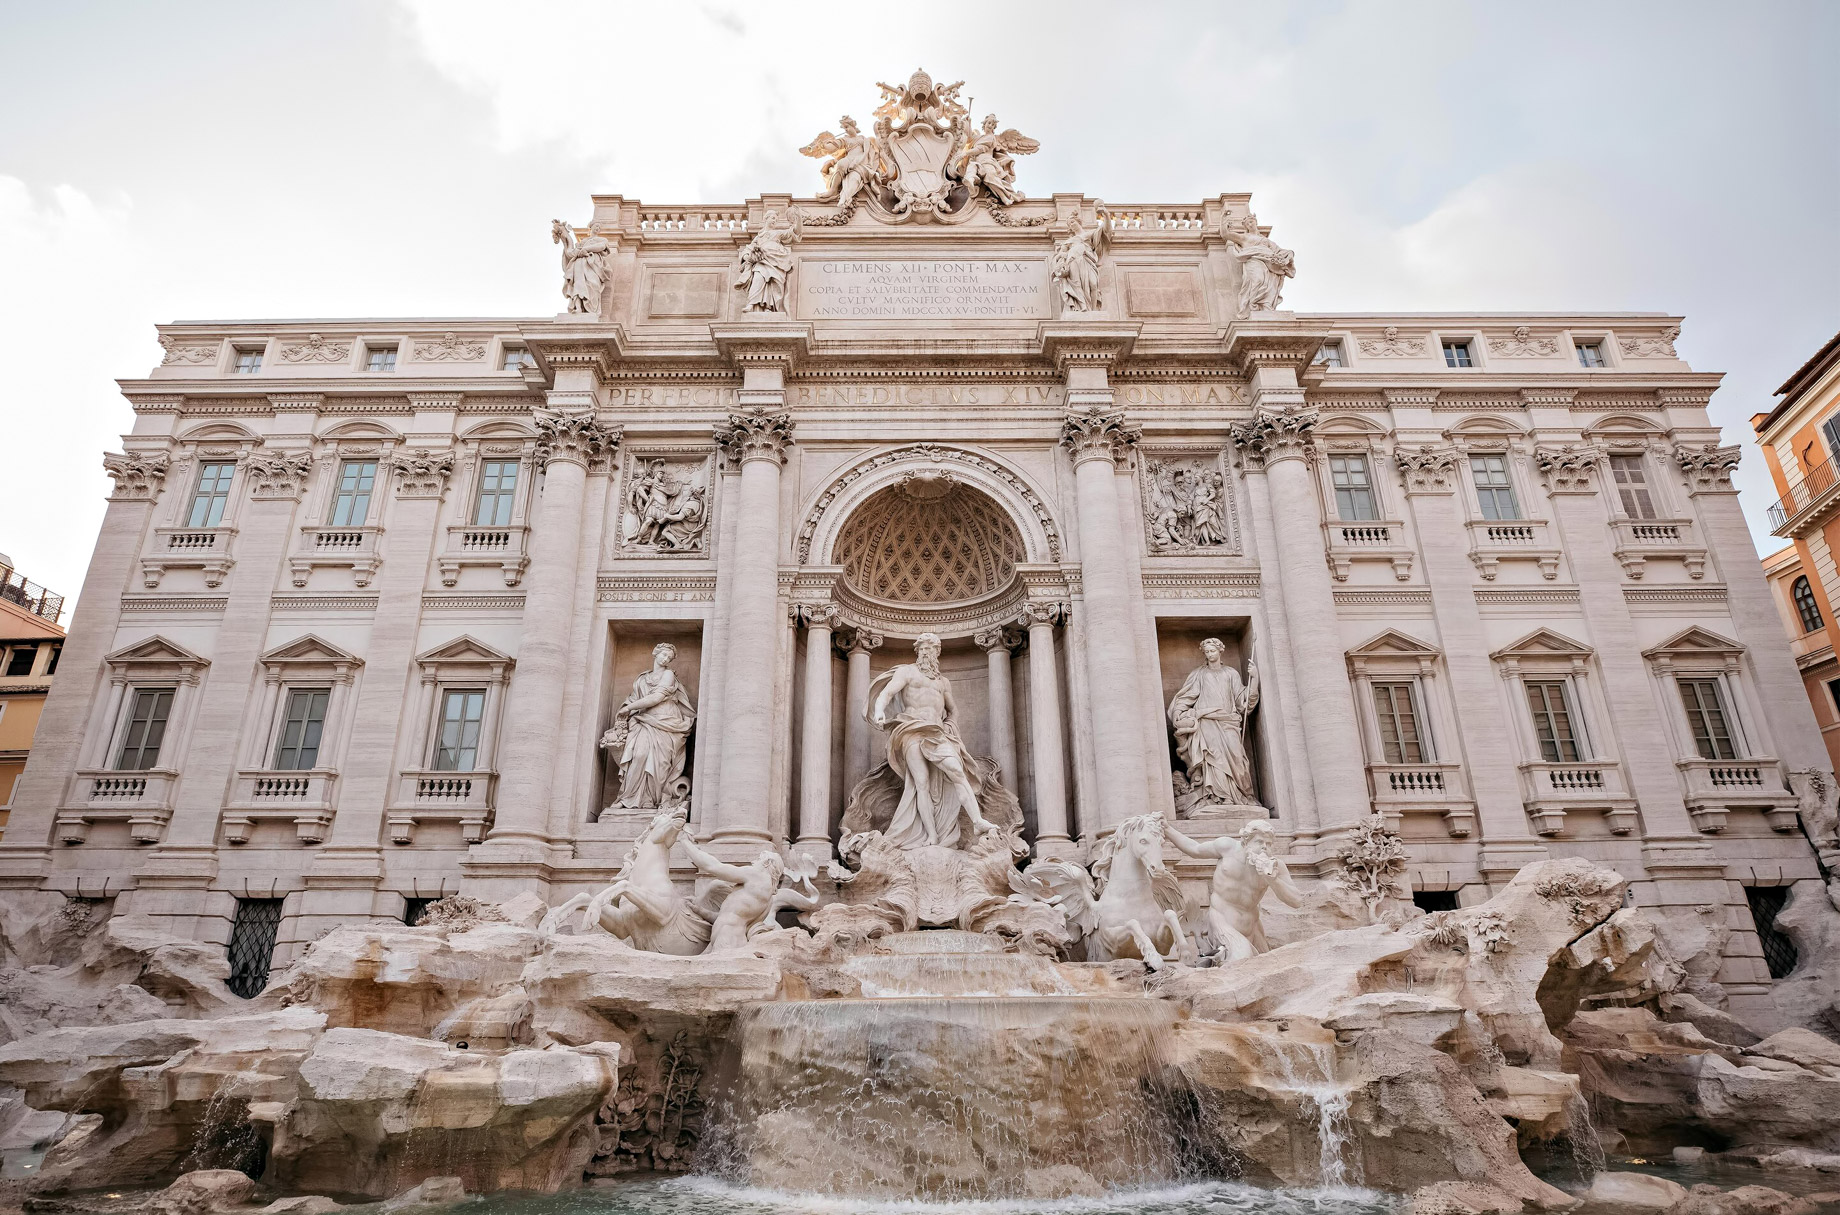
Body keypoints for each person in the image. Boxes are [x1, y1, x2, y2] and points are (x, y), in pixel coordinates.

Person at [869, 633, 995, 849]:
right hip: (911, 729)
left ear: (937, 653)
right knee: (922, 783)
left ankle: (977, 821)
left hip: (936, 732)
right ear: (917, 652)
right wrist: (879, 710)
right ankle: (932, 836)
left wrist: (951, 725)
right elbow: (887, 693)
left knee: (957, 771)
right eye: (923, 649)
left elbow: (953, 710)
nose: (927, 652)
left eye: (931, 649)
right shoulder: (906, 672)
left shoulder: (943, 682)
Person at [1165, 819, 1303, 961]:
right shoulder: (1227, 848)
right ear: (1245, 842)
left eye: (1268, 844)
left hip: (1252, 927)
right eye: (1259, 842)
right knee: (1242, 958)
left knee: (1268, 967)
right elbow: (1195, 849)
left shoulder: (1276, 866)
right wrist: (1167, 829)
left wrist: (1272, 880)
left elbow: (1296, 901)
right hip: (1222, 921)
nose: (1264, 848)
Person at [601, 643, 696, 809]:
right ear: (655, 653)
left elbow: (657, 698)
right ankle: (628, 798)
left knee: (660, 763)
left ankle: (650, 801)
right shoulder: (642, 678)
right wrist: (627, 709)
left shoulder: (668, 675)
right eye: (663, 655)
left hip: (666, 722)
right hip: (644, 720)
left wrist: (630, 708)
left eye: (669, 658)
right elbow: (633, 698)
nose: (665, 659)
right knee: (639, 755)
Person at [1169, 638, 1259, 806]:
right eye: (1207, 652)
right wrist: (1178, 712)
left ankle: (1241, 795)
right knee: (1214, 758)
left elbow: (1243, 701)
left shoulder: (1231, 673)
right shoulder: (1199, 674)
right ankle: (1220, 797)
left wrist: (1254, 679)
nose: (1210, 654)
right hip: (1207, 722)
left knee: (1237, 758)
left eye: (1213, 651)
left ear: (1220, 651)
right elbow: (1186, 697)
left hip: (1228, 722)